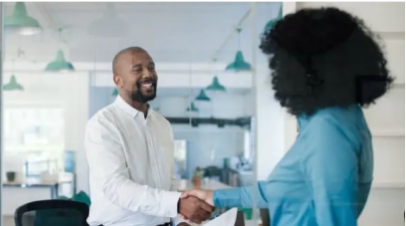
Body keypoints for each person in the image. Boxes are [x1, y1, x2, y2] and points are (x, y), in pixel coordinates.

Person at [181, 7, 394, 226]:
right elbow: (283, 190)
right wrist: (214, 197)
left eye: (282, 61)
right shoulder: (339, 117)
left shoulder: (328, 127)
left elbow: (336, 219)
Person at [85, 46, 214, 226]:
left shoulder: (163, 125)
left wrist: (179, 221)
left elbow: (168, 183)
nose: (148, 74)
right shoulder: (103, 124)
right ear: (118, 81)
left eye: (151, 68)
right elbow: (115, 187)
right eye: (137, 69)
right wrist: (177, 204)